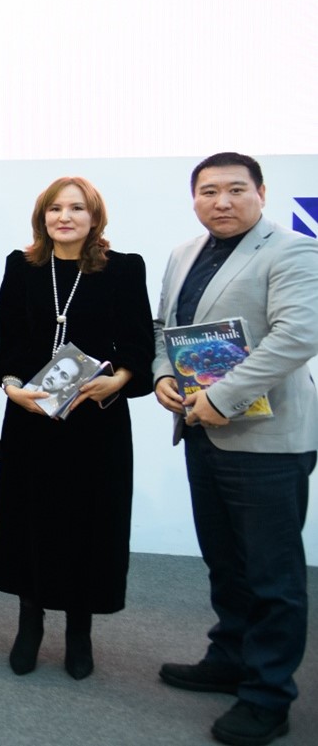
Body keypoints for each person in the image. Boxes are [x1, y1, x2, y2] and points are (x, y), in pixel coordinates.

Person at [152, 152, 318, 746]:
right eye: (208, 191)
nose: (221, 201)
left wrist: (223, 397)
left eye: (235, 189)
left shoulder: (293, 250)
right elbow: (164, 328)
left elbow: (298, 335)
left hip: (267, 441)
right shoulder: (183, 253)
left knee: (272, 574)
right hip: (202, 430)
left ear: (261, 193)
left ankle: (269, 695)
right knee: (225, 560)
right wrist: (162, 374)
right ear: (194, 197)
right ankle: (230, 657)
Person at [0, 177, 154, 681]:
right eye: (55, 208)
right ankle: (30, 624)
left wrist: (119, 380)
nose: (64, 217)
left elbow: (139, 343)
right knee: (30, 521)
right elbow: (5, 341)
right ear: (42, 216)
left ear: (94, 217)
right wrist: (11, 387)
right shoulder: (21, 266)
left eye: (77, 208)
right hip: (32, 418)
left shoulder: (123, 268)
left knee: (89, 525)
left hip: (95, 424)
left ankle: (79, 631)